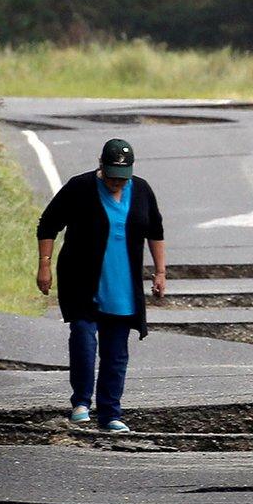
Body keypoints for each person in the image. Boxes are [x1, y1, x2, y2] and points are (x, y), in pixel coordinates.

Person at [35, 137, 166, 432]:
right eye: (111, 177)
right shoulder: (79, 187)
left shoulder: (142, 190)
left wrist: (160, 272)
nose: (116, 183)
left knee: (116, 350)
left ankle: (110, 413)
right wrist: (44, 265)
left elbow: (155, 231)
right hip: (81, 279)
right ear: (100, 166)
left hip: (122, 282)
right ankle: (81, 402)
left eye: (122, 178)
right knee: (83, 336)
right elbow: (48, 224)